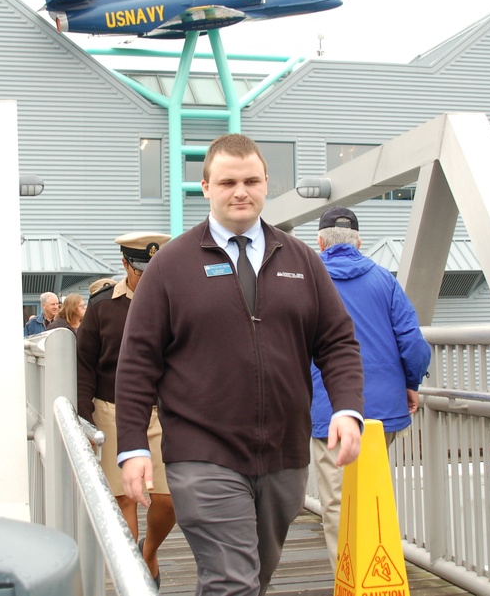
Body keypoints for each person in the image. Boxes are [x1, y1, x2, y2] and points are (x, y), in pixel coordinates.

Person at [115, 133, 365, 596]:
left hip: (284, 457)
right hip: (202, 452)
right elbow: (137, 362)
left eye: (251, 180)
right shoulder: (171, 266)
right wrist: (133, 446)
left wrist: (348, 409)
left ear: (267, 183)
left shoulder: (303, 261)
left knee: (255, 576)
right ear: (206, 187)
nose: (240, 191)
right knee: (233, 581)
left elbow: (337, 342)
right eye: (227, 181)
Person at [310, 206, 432, 573]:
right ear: (359, 242)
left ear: (319, 242)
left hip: (327, 407)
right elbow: (413, 342)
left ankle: (349, 579)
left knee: (336, 502)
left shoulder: (308, 281)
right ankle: (380, 573)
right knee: (375, 494)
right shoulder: (384, 279)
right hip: (383, 409)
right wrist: (409, 384)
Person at [76, 232, 174, 587]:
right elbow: (84, 365)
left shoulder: (176, 300)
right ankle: (134, 577)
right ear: (124, 265)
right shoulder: (103, 306)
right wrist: (84, 420)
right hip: (111, 410)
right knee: (125, 500)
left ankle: (148, 551)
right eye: (140, 271)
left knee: (168, 498)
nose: (147, 279)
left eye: (153, 271)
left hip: (161, 412)